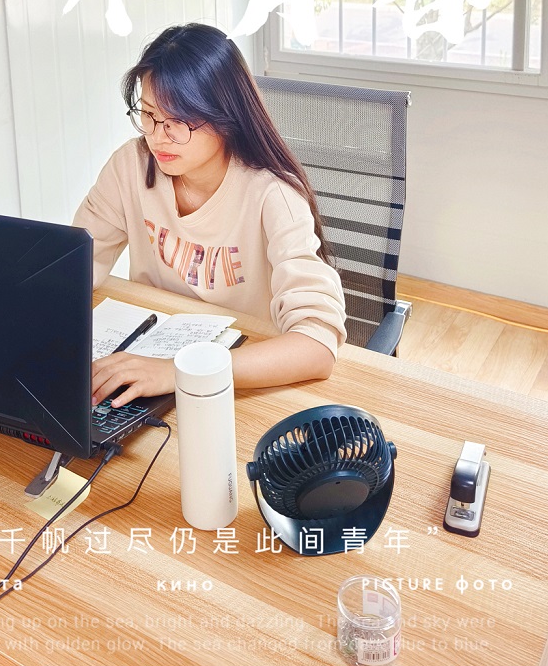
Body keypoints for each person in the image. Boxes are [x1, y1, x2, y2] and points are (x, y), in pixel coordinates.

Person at [73, 23, 347, 408]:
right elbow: (72, 270)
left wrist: (177, 371)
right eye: (149, 114)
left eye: (178, 121)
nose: (158, 136)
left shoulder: (272, 196)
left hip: (240, 377)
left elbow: (317, 347)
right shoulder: (131, 166)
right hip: (148, 363)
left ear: (224, 117)